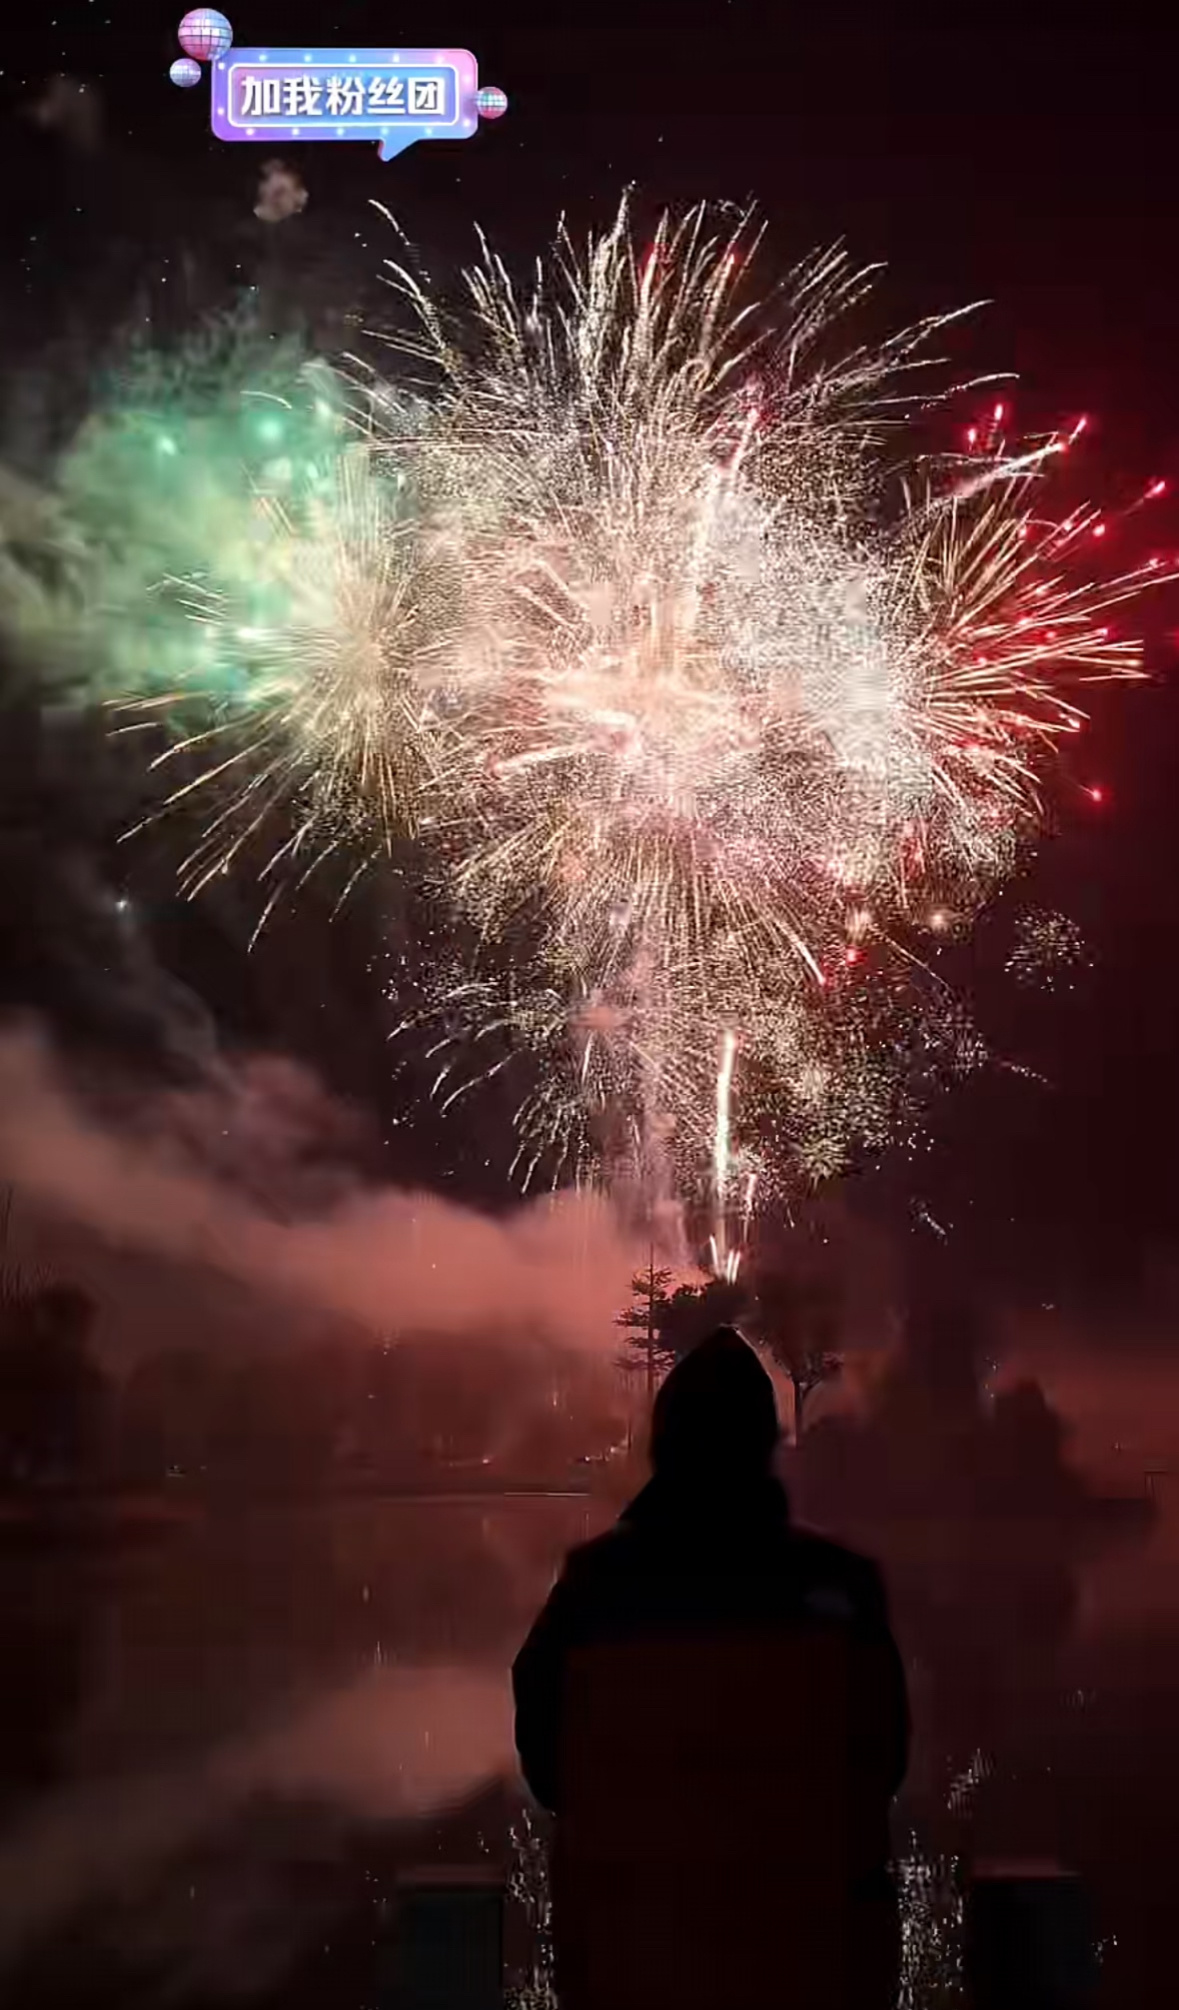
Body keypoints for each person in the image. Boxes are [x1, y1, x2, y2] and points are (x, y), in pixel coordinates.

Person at [513, 1327, 909, 2010]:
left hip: (631, 1964)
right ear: (765, 1446)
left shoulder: (592, 1589)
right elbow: (882, 1762)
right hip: (813, 1965)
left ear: (662, 1445)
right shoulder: (841, 1589)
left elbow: (548, 1763)